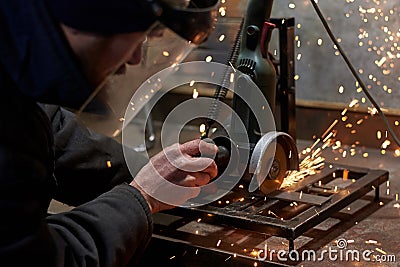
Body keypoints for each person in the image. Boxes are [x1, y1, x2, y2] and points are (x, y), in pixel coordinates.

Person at [0, 0, 219, 266]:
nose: (135, 57)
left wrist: (154, 172)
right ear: (94, 16)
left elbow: (55, 131)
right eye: (138, 35)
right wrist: (142, 198)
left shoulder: (18, 63)